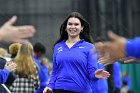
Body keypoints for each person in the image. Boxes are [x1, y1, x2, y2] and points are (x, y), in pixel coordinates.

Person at [43, 12, 110, 93]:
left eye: (76, 24)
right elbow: (55, 72)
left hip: (81, 90)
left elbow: (92, 72)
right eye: (70, 24)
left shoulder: (89, 47)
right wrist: (49, 86)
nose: (73, 27)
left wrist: (95, 74)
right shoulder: (58, 47)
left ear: (82, 28)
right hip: (59, 89)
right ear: (65, 27)